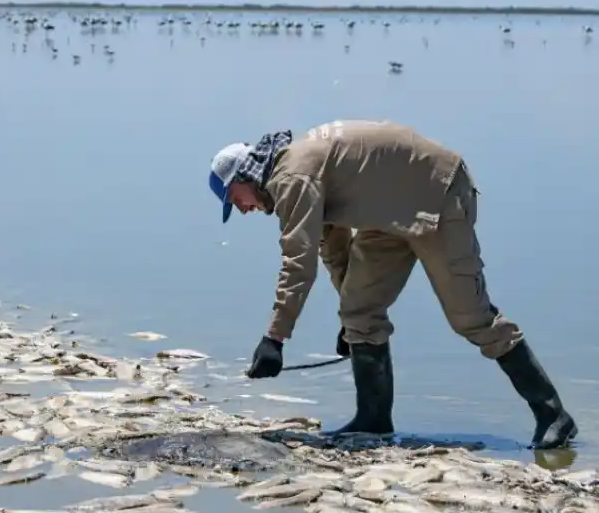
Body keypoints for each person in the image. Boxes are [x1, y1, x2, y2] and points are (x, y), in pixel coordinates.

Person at [207, 119, 577, 450]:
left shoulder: (292, 178)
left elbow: (298, 264)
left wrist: (275, 339)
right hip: (387, 217)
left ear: (243, 177)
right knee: (360, 309)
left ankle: (553, 414)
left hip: (438, 194)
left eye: (233, 200)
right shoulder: (294, 175)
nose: (241, 209)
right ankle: (374, 423)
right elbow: (333, 251)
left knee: (471, 318)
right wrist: (351, 326)